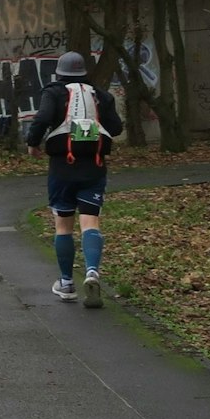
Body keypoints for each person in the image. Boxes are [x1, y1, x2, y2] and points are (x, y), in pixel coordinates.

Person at [23, 51, 122, 307]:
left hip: (62, 168)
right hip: (94, 167)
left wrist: (33, 143)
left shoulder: (54, 92)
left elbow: (43, 119)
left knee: (63, 225)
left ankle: (67, 283)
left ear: (59, 72)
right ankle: (91, 271)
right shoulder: (100, 95)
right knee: (90, 222)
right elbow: (117, 128)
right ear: (84, 72)